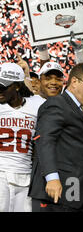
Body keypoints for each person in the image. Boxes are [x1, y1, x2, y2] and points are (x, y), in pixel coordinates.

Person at [28, 63, 83, 212]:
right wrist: (51, 177)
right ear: (74, 82)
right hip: (54, 192)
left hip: (73, 191)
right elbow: (45, 139)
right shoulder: (57, 104)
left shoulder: (82, 109)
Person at [0, 62, 45, 212]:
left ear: (18, 86)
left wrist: (26, 75)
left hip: (26, 175)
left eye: (4, 86)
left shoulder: (37, 105)